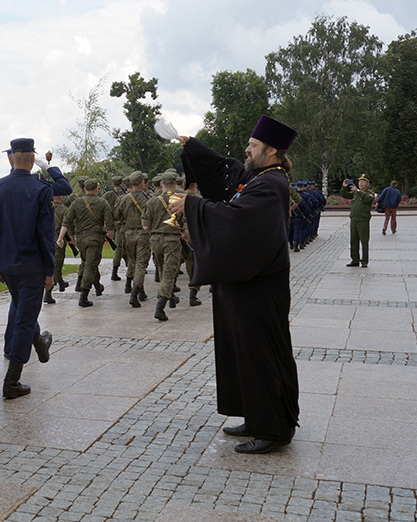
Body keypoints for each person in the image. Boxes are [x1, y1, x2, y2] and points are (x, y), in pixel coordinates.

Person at [169, 114, 300, 454]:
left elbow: (237, 220)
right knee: (245, 352)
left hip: (259, 286)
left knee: (261, 353)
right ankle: (256, 416)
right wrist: (194, 147)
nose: (247, 149)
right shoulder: (262, 178)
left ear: (272, 150)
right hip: (247, 282)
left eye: (253, 145)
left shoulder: (271, 184)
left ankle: (274, 428)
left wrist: (194, 206)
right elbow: (228, 176)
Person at [0, 138, 55, 398]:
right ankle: (12, 381)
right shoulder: (41, 190)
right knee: (24, 319)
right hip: (32, 265)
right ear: (31, 158)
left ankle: (40, 344)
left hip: (6, 264)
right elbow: (45, 235)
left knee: (23, 309)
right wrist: (50, 270)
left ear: (11, 158)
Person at [57, 179, 114, 308]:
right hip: (95, 239)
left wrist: (61, 237)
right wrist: (109, 236)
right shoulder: (102, 203)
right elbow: (110, 224)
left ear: (84, 188)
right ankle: (84, 296)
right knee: (90, 265)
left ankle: (98, 286)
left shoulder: (76, 203)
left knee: (89, 263)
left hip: (81, 239)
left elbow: (67, 221)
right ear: (97, 189)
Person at [141, 172, 187, 321]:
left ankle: (171, 298)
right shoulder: (179, 199)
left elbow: (146, 226)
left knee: (162, 271)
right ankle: (160, 307)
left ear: (161, 184)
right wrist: (185, 235)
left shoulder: (152, 201)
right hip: (171, 240)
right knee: (168, 273)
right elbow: (186, 226)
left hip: (155, 240)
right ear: (174, 184)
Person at [115, 172, 151, 307]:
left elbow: (116, 215)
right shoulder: (147, 198)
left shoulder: (124, 199)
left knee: (135, 263)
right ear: (141, 182)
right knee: (141, 264)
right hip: (143, 233)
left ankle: (141, 292)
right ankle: (134, 294)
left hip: (128, 234)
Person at [340, 175, 375, 268]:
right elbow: (344, 195)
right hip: (354, 220)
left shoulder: (369, 193)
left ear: (368, 184)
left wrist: (358, 191)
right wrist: (344, 187)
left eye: (363, 182)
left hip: (363, 220)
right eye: (359, 182)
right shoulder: (355, 193)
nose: (360, 183)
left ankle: (364, 261)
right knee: (353, 241)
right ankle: (355, 260)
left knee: (364, 241)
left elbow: (368, 199)